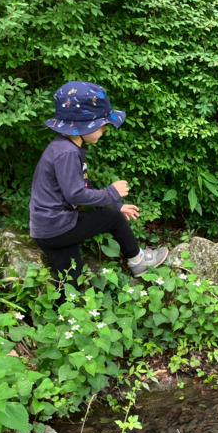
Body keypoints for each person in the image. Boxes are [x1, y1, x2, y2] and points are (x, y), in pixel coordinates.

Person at [30, 81, 168, 287]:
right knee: (112, 219)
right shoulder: (66, 153)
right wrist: (112, 193)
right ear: (82, 125)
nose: (105, 129)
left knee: (70, 278)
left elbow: (85, 187)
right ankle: (138, 261)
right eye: (101, 124)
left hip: (49, 230)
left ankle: (63, 315)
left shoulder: (66, 147)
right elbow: (75, 195)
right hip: (57, 226)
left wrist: (116, 205)